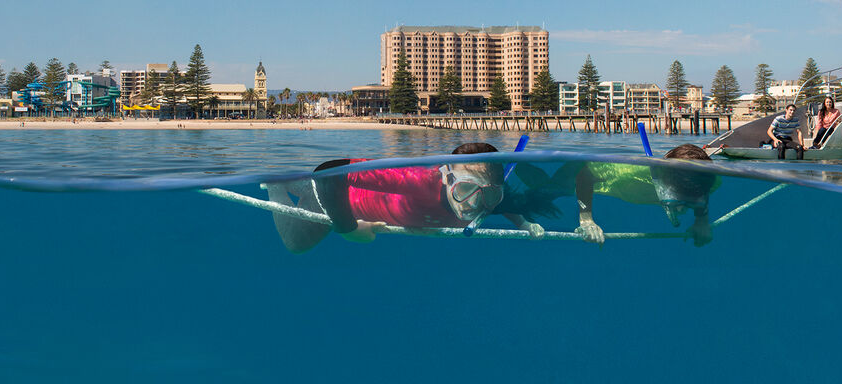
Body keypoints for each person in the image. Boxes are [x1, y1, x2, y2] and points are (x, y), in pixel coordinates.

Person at [271, 142, 548, 252]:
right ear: (446, 177)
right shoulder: (417, 181)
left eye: (490, 195)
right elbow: (330, 174)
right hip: (338, 201)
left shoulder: (491, 196)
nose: (475, 206)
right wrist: (349, 228)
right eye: (465, 192)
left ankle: (287, 178)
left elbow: (502, 205)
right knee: (296, 243)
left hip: (348, 200)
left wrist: (523, 224)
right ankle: (273, 183)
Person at [572, 144, 722, 246]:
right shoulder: (629, 174)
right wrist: (586, 220)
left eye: (692, 203)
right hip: (580, 175)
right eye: (679, 201)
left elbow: (703, 194)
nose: (681, 211)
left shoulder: (711, 181)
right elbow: (583, 176)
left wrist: (701, 220)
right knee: (557, 189)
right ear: (662, 181)